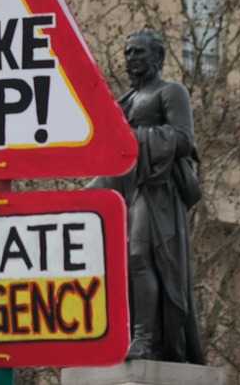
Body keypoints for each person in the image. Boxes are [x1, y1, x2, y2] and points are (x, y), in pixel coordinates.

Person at [91, 28, 204, 364]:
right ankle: (125, 334)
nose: (131, 59)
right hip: (123, 187)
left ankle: (145, 339)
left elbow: (183, 140)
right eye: (127, 53)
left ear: (157, 56)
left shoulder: (171, 92)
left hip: (155, 191)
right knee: (120, 264)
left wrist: (135, 139)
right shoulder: (124, 101)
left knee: (140, 256)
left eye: (138, 52)